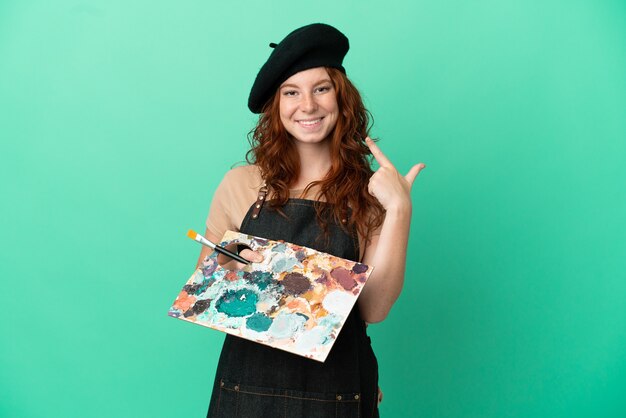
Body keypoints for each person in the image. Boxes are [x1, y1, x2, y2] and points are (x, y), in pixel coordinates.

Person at [196, 23, 425, 418]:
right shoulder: (241, 184)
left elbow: (373, 309)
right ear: (277, 105)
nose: (307, 105)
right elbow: (208, 295)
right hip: (246, 392)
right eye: (291, 92)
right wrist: (230, 266)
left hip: (337, 390)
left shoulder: (370, 195)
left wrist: (399, 211)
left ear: (341, 96)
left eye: (321, 88)